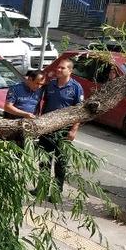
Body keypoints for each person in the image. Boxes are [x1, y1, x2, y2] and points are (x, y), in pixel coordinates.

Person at [38, 58, 84, 200]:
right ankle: (41, 189)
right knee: (44, 160)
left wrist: (73, 130)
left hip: (63, 131)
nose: (58, 70)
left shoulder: (76, 87)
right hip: (47, 128)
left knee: (60, 163)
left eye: (62, 68)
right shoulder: (51, 85)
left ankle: (57, 193)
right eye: (58, 67)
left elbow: (80, 111)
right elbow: (42, 102)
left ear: (70, 70)